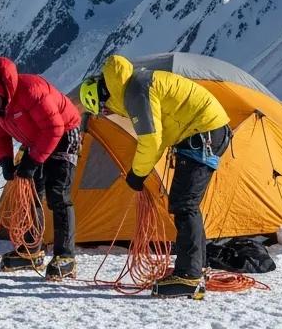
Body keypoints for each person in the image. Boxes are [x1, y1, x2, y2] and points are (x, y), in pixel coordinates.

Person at [79, 54, 231, 298]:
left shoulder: (135, 91)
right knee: (187, 204)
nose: (107, 112)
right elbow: (156, 138)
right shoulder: (136, 85)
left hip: (202, 132)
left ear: (104, 95)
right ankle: (195, 269)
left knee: (185, 204)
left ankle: (189, 276)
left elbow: (151, 140)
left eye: (103, 108)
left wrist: (137, 175)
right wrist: (141, 171)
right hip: (204, 132)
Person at [0, 56, 82, 279]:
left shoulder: (31, 89)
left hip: (65, 133)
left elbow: (53, 128)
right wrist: (5, 161)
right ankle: (32, 251)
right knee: (30, 195)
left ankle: (66, 257)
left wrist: (34, 161)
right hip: (36, 140)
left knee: (58, 194)